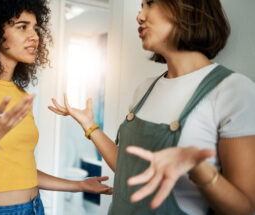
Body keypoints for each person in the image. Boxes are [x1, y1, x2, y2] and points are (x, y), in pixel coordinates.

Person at [49, 0, 255, 214]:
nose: (140, 16)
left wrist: (198, 167)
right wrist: (89, 125)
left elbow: (245, 208)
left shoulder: (233, 90)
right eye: (141, 6)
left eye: (150, 3)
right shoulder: (145, 89)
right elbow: (127, 167)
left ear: (186, 7)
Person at [0, 0, 112, 214]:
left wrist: (78, 185)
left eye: (36, 28)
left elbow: (22, 172)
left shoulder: (21, 95)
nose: (35, 36)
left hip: (36, 207)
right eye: (22, 26)